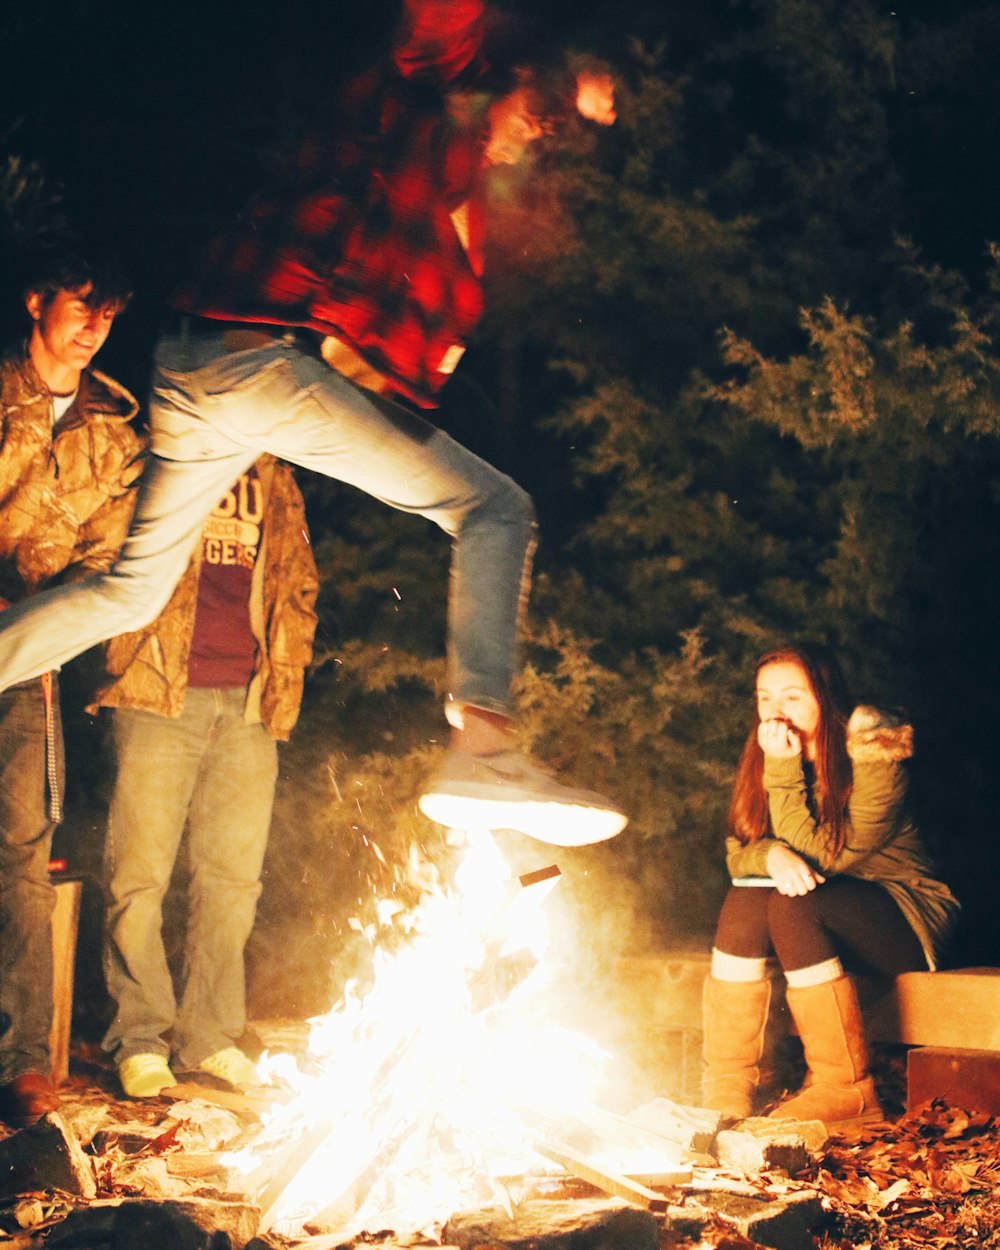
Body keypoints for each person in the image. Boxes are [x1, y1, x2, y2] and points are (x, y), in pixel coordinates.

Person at [0, 1, 624, 850]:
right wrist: (562, 70)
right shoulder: (422, 85)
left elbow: (397, 341)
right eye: (532, 115)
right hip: (260, 361)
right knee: (494, 509)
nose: (531, 137)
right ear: (505, 79)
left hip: (199, 370)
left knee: (130, 592)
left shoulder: (456, 199)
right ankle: (483, 744)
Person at [89, 456, 318, 1098]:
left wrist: (285, 667)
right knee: (139, 874)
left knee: (233, 881)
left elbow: (296, 577)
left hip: (249, 699)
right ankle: (139, 1038)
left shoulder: (273, 467)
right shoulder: (169, 443)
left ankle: (209, 1036)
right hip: (160, 688)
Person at [0, 247, 143, 1127]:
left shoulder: (113, 433)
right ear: (36, 300)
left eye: (109, 314)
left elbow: (105, 565)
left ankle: (23, 1064)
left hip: (23, 666)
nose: (94, 328)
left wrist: (49, 628)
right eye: (82, 306)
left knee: (21, 853)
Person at [701, 643, 960, 1126]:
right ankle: (727, 1082)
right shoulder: (767, 755)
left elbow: (825, 856)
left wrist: (780, 770)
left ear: (825, 697)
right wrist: (772, 852)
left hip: (903, 919)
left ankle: (847, 1091)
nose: (777, 712)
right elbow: (740, 853)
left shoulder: (872, 754)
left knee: (793, 903)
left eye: (793, 697)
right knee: (745, 897)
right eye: (765, 699)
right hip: (821, 918)